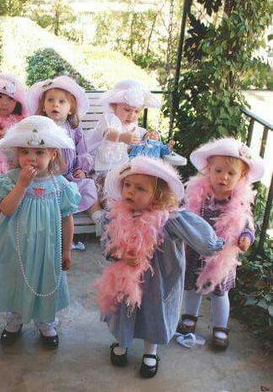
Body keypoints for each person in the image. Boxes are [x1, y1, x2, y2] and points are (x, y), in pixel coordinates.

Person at [95, 156, 225, 378]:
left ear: (157, 195)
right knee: (125, 310)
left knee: (155, 312)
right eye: (127, 185)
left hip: (161, 280)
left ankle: (150, 351)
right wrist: (121, 254)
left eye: (140, 188)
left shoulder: (170, 219)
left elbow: (200, 236)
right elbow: (107, 243)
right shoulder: (116, 215)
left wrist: (218, 245)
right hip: (126, 279)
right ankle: (122, 344)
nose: (130, 192)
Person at [0, 116, 80, 349]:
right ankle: (15, 318)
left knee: (46, 279)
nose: (32, 158)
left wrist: (67, 249)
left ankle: (46, 321)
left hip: (48, 247)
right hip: (15, 245)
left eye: (39, 152)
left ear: (53, 155)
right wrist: (22, 185)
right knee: (16, 278)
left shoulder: (60, 185)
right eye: (26, 152)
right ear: (18, 155)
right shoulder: (8, 180)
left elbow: (67, 218)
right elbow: (8, 208)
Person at [177, 138, 264, 350]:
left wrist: (246, 238)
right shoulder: (199, 194)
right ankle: (189, 318)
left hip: (222, 258)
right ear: (208, 169)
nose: (223, 177)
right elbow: (182, 211)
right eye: (218, 171)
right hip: (195, 251)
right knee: (193, 287)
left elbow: (247, 226)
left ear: (241, 177)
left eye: (231, 173)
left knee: (220, 293)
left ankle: (220, 327)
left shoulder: (239, 202)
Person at [29, 76, 103, 235]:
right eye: (50, 100)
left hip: (69, 176)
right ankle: (44, 228)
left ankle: (98, 219)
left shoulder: (74, 129)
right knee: (40, 194)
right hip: (46, 178)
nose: (55, 104)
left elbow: (82, 151)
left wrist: (82, 170)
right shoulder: (39, 127)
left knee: (88, 185)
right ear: (43, 106)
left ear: (70, 109)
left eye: (62, 102)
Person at [87, 79, 160, 201]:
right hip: (103, 164)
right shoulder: (109, 118)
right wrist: (121, 137)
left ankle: (127, 201)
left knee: (125, 183)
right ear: (113, 106)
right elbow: (107, 133)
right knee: (105, 184)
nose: (132, 115)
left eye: (136, 111)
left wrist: (148, 135)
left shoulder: (132, 124)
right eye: (127, 110)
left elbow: (137, 135)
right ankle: (106, 202)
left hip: (121, 165)